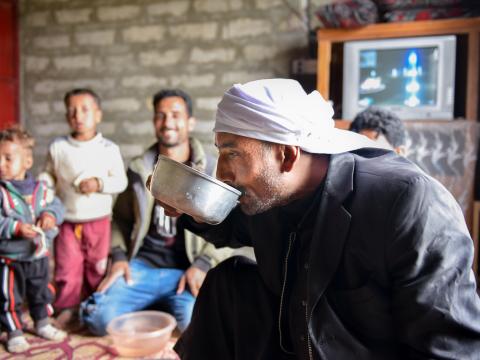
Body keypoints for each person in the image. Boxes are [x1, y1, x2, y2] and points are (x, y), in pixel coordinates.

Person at [159, 79, 480, 359]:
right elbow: (232, 225)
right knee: (229, 281)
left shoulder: (407, 202)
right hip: (300, 342)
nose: (221, 174)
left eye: (231, 154)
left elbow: (450, 348)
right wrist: (188, 203)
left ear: (286, 154)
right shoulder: (271, 193)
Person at [80, 89, 232, 336]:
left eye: (175, 114)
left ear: (190, 121)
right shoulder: (139, 168)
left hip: (186, 271)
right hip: (142, 268)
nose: (168, 122)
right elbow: (119, 219)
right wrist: (118, 258)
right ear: (154, 122)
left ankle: (164, 303)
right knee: (98, 319)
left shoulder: (213, 171)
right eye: (160, 116)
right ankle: (153, 301)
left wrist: (203, 265)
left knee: (194, 327)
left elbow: (228, 226)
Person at [38, 88, 128, 329]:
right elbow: (49, 174)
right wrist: (43, 184)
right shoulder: (58, 147)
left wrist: (99, 183)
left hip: (98, 222)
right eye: (72, 111)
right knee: (67, 267)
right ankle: (67, 308)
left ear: (98, 115)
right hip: (67, 220)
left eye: (85, 110)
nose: (78, 115)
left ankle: (91, 307)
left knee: (96, 267)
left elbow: (121, 181)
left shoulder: (108, 149)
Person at [0, 127, 67, 353]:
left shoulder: (42, 188)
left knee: (41, 292)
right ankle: (15, 331)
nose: (1, 164)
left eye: (8, 158)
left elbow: (56, 205)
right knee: (10, 297)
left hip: (38, 254)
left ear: (27, 161)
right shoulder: (1, 192)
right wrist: (16, 227)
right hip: (10, 259)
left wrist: (50, 215)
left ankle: (42, 323)